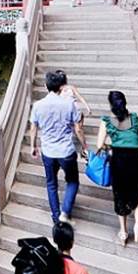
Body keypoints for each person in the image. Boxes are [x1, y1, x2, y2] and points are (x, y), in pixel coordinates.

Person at [95, 90, 138, 246]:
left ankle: (123, 232)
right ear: (125, 103)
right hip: (137, 163)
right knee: (137, 193)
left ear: (111, 106)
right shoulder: (136, 119)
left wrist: (110, 146)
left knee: (120, 196)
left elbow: (99, 146)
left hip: (119, 164)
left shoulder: (106, 121)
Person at [31, 71, 88, 224]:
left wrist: (33, 145)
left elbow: (34, 127)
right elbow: (78, 128)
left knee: (51, 184)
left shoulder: (37, 105)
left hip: (48, 151)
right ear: (61, 88)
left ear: (45, 86)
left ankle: (56, 218)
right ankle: (65, 211)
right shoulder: (69, 104)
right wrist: (85, 146)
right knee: (73, 182)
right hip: (66, 151)